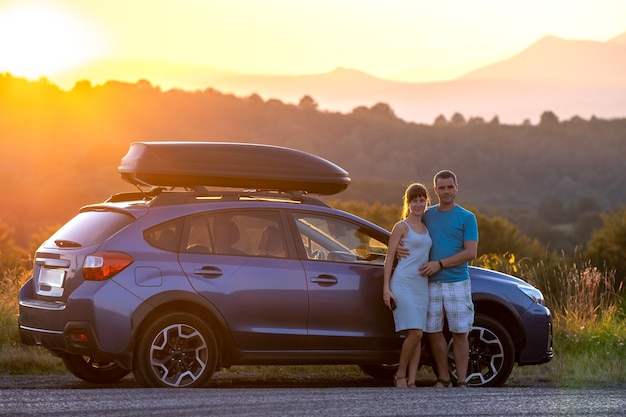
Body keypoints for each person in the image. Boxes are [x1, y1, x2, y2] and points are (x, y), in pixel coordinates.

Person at [399, 170, 478, 388]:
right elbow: (407, 230)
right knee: (433, 332)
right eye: (441, 188)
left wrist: (440, 264)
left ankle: (461, 380)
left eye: (450, 187)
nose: (446, 191)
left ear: (456, 187)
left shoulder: (467, 217)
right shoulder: (427, 214)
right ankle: (443, 378)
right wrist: (398, 249)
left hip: (457, 282)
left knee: (460, 332)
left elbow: (471, 252)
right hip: (429, 284)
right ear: (435, 190)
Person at [382, 183, 432, 387]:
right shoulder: (401, 227)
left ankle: (412, 380)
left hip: (422, 286)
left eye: (422, 200)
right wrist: (386, 288)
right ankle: (400, 374)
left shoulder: (426, 226)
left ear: (426, 201)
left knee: (418, 334)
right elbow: (389, 258)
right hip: (403, 283)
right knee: (416, 333)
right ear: (408, 203)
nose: (418, 204)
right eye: (414, 201)